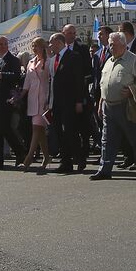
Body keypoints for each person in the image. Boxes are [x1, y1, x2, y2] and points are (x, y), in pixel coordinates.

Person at [90, 31, 136, 180]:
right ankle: (105, 169)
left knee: (134, 137)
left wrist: (132, 91)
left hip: (127, 106)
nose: (112, 48)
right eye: (110, 45)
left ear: (123, 45)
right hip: (108, 106)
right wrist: (101, 102)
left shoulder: (134, 61)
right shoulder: (108, 61)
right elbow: (104, 84)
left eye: (115, 45)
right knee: (107, 139)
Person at [50, 25, 93, 174]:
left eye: (52, 43)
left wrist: (79, 101)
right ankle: (65, 162)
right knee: (59, 132)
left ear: (59, 43)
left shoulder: (73, 56)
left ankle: (80, 158)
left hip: (70, 101)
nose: (50, 46)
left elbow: (78, 81)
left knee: (70, 132)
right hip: (56, 102)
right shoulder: (53, 59)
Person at [0, 37, 25, 169]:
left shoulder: (13, 60)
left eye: (5, 44)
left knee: (5, 128)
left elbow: (17, 76)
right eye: (0, 44)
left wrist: (2, 75)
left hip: (7, 100)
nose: (3, 46)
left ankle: (20, 152)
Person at [21, 37, 53, 174]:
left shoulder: (49, 61)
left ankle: (29, 157)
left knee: (36, 128)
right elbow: (27, 83)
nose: (34, 48)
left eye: (36, 46)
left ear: (42, 47)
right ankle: (46, 157)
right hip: (33, 100)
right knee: (40, 133)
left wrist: (50, 99)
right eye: (33, 46)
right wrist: (19, 97)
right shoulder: (30, 62)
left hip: (44, 100)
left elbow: (52, 81)